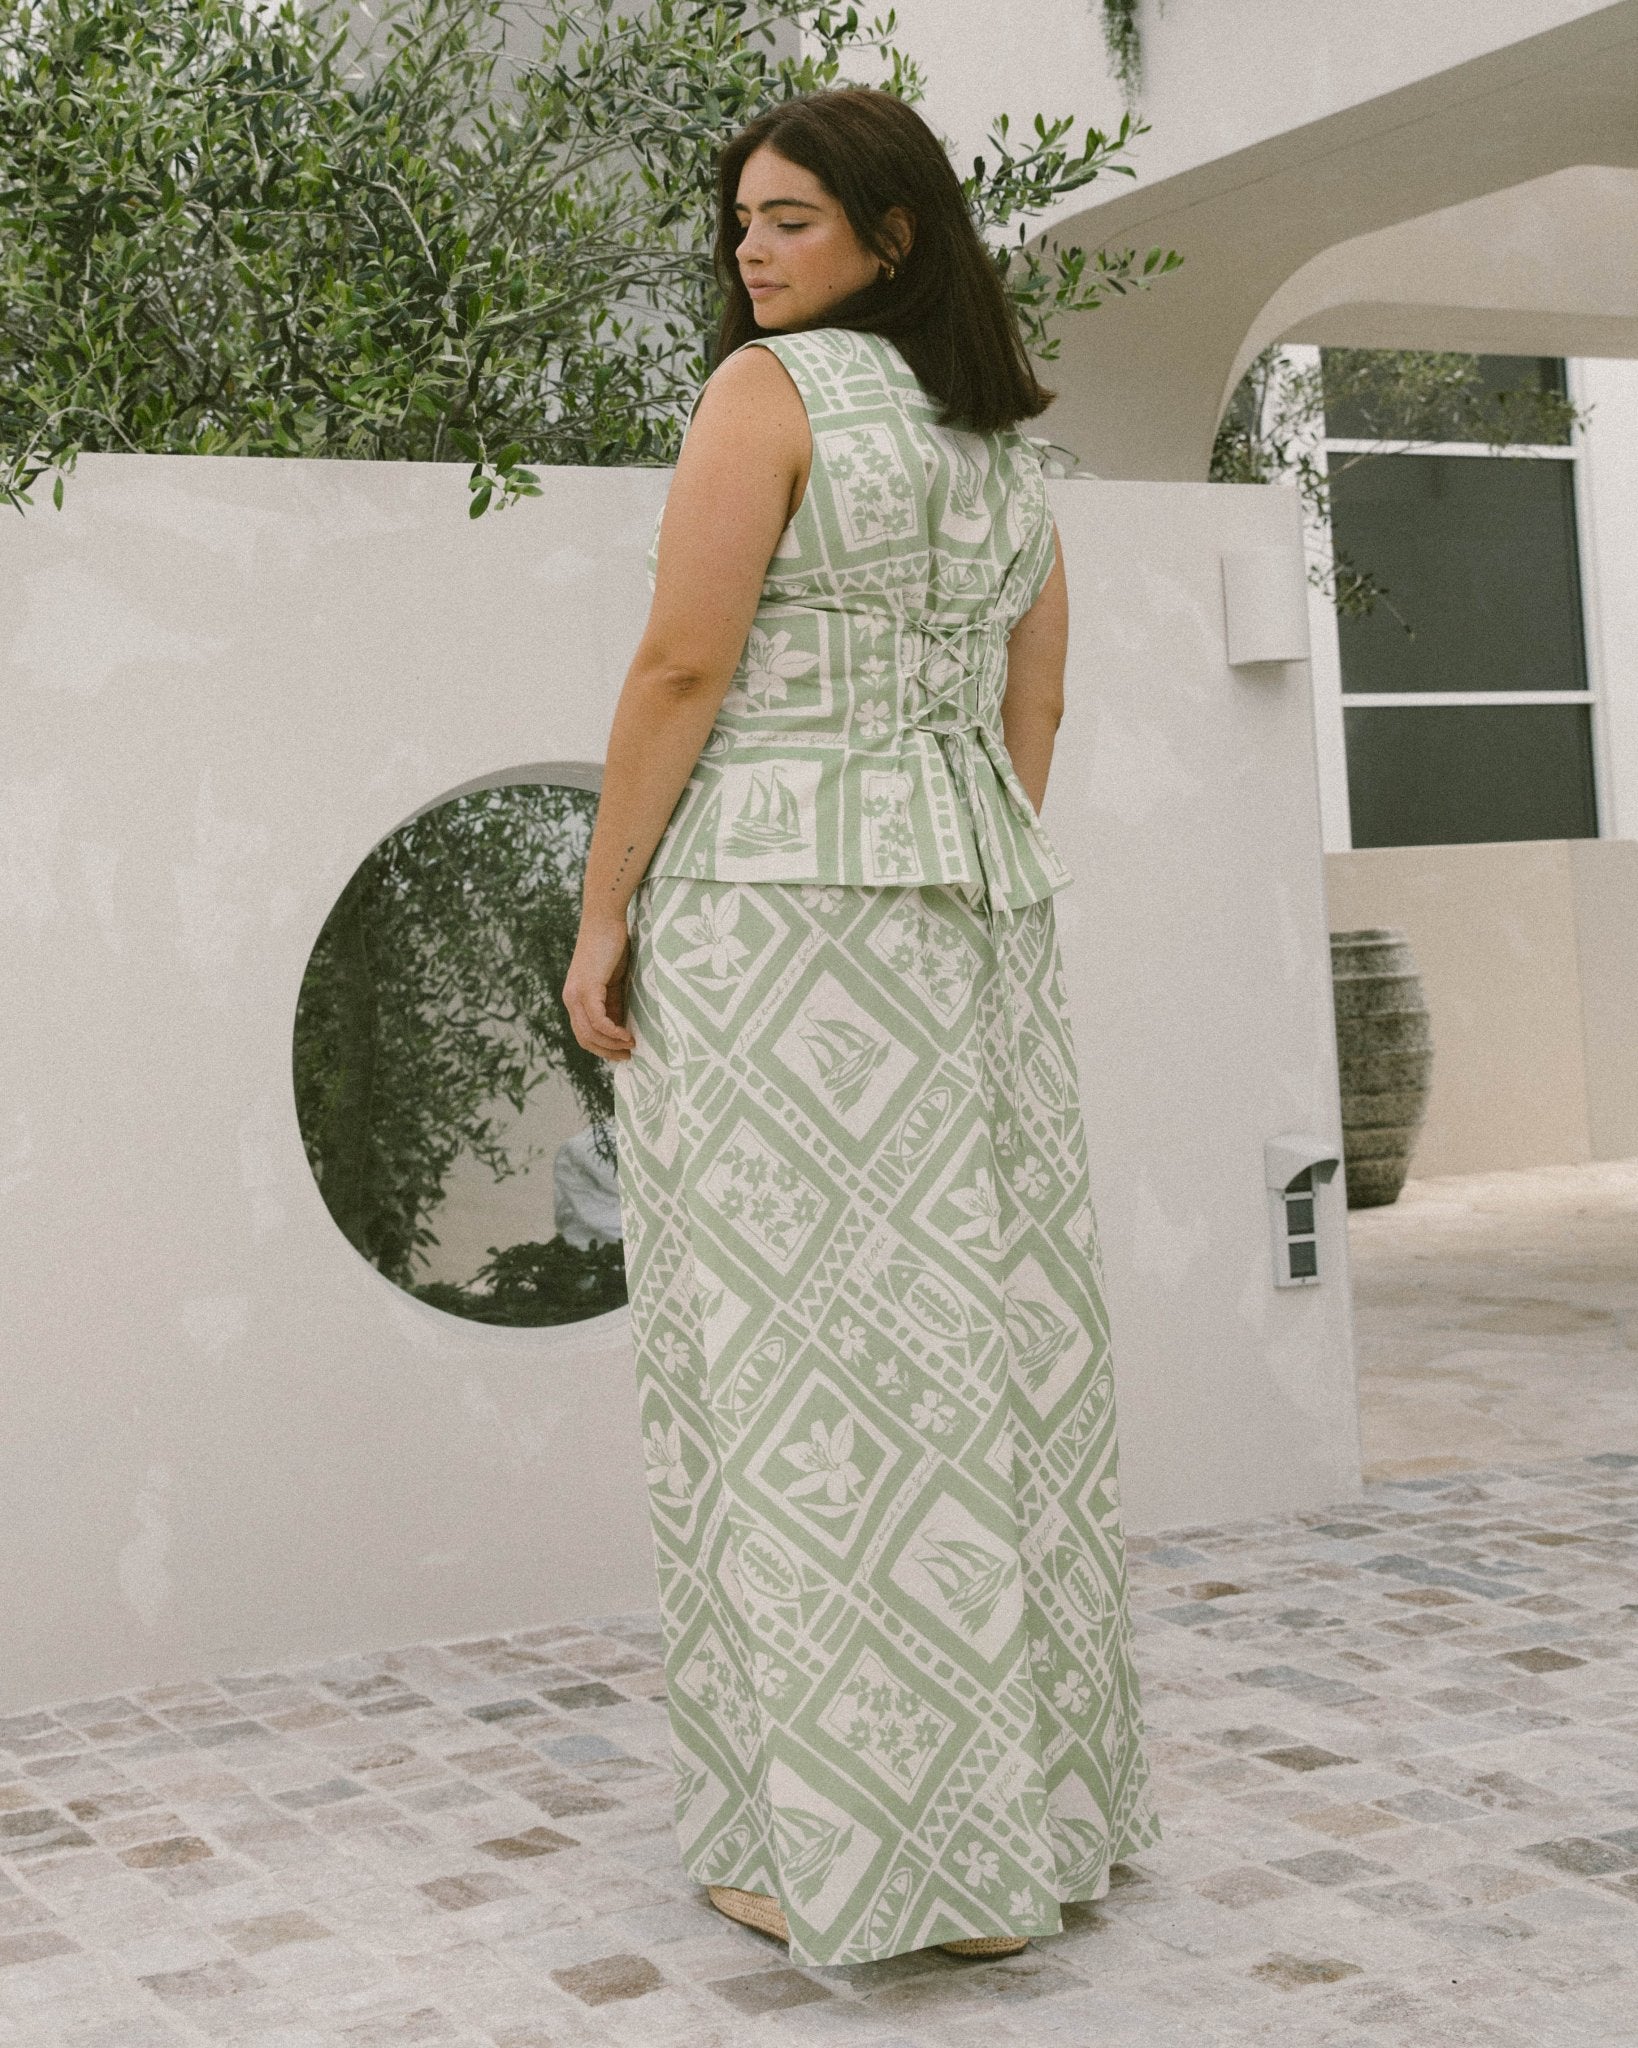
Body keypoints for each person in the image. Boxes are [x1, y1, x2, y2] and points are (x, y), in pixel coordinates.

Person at [562, 84, 1159, 1972]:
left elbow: (683, 663)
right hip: (971, 915)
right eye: (742, 219)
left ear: (894, 237)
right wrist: (945, 845)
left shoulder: (767, 397)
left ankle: (850, 1856)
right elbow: (1031, 710)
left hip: (767, 915)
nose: (750, 251)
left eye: (792, 219)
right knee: (983, 1350)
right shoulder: (1003, 450)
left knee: (797, 1373)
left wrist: (603, 910)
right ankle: (1021, 1840)